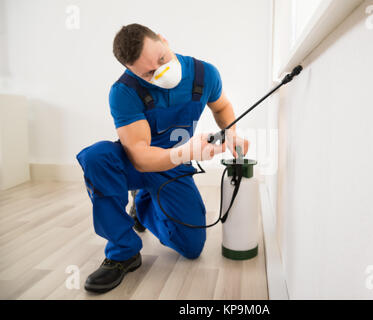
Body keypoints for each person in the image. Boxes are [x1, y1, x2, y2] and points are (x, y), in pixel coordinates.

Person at [76, 23, 249, 293]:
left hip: (173, 165)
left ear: (164, 40)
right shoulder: (123, 91)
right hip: (136, 163)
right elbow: (142, 157)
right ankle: (123, 252)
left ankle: (143, 207)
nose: (161, 72)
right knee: (97, 157)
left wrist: (232, 133)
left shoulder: (205, 74)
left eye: (162, 59)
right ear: (131, 71)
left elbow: (223, 106)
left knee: (191, 247)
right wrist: (186, 152)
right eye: (148, 73)